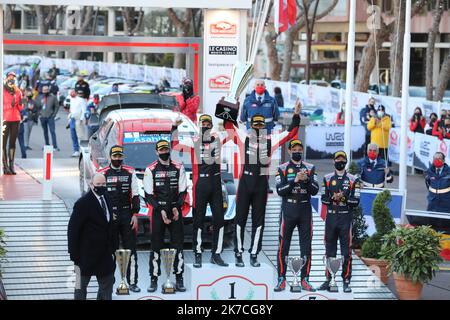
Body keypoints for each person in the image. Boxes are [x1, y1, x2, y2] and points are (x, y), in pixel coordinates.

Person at [224, 100, 301, 267]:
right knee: (240, 219)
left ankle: (254, 254)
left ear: (264, 127)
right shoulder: (244, 136)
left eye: (260, 125)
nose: (258, 128)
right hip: (245, 182)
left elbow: (291, 133)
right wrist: (231, 105)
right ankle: (238, 253)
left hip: (261, 184)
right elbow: (229, 126)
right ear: (251, 126)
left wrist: (296, 115)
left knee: (259, 221)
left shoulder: (271, 140)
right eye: (255, 125)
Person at [171, 114, 229, 268]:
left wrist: (229, 116)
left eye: (207, 123)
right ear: (199, 125)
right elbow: (175, 146)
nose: (205, 125)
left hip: (216, 182)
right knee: (198, 220)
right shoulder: (193, 140)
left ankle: (216, 254)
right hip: (200, 184)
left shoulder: (217, 138)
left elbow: (231, 133)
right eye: (202, 123)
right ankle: (197, 253)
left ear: (211, 125)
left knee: (220, 220)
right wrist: (174, 128)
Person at [273, 139, 319, 292]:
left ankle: (305, 279)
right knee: (283, 245)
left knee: (306, 246)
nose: (297, 151)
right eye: (294, 149)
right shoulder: (282, 168)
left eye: (300, 148)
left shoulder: (311, 168)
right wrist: (295, 180)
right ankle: (281, 278)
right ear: (289, 151)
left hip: (305, 210)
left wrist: (306, 180)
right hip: (288, 210)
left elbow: (315, 190)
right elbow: (280, 190)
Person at [143, 140, 188, 293]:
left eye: (166, 149)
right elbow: (148, 195)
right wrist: (160, 209)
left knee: (178, 246)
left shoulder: (178, 167)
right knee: (155, 245)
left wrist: (177, 207)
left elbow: (183, 191)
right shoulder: (150, 169)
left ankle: (179, 278)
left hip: (175, 210)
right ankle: (153, 279)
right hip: (158, 211)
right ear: (156, 152)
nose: (164, 152)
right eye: (161, 150)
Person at [98, 145, 141, 293]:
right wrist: (105, 215)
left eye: (120, 156)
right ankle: (109, 282)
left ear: (123, 157)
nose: (117, 159)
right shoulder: (102, 173)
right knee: (110, 250)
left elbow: (135, 194)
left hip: (126, 215)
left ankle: (133, 282)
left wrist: (135, 214)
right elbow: (99, 197)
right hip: (110, 217)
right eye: (115, 156)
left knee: (131, 250)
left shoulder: (130, 172)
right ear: (110, 157)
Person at [68, 173, 117, 300]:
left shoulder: (107, 197)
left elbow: (110, 225)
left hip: (104, 254)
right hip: (83, 256)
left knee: (107, 288)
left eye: (104, 184)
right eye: (98, 184)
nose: (101, 187)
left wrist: (113, 248)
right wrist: (74, 256)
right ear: (91, 185)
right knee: (79, 287)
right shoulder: (82, 203)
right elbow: (73, 230)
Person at [319, 151, 361, 293]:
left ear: (346, 161)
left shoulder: (353, 179)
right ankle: (328, 279)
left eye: (342, 159)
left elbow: (356, 201)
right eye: (338, 159)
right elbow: (323, 199)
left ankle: (346, 280)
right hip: (331, 218)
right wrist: (332, 198)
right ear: (333, 161)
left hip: (345, 218)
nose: (340, 161)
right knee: (329, 250)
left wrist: (343, 198)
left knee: (346, 251)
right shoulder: (327, 178)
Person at [2, 72, 23, 175]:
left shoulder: (18, 91)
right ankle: (5, 166)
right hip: (5, 119)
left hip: (15, 119)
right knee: (3, 143)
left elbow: (21, 108)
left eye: (13, 78)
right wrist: (10, 106)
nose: (11, 79)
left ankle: (11, 165)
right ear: (6, 79)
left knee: (12, 143)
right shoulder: (2, 91)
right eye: (10, 78)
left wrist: (20, 103)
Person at [36, 85, 60, 151]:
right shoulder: (40, 97)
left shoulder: (53, 97)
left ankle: (55, 146)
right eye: (44, 90)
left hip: (50, 117)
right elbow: (37, 106)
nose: (45, 91)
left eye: (46, 90)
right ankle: (47, 145)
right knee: (45, 132)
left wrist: (54, 114)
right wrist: (39, 114)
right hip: (42, 117)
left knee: (52, 131)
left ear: (48, 90)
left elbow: (57, 106)